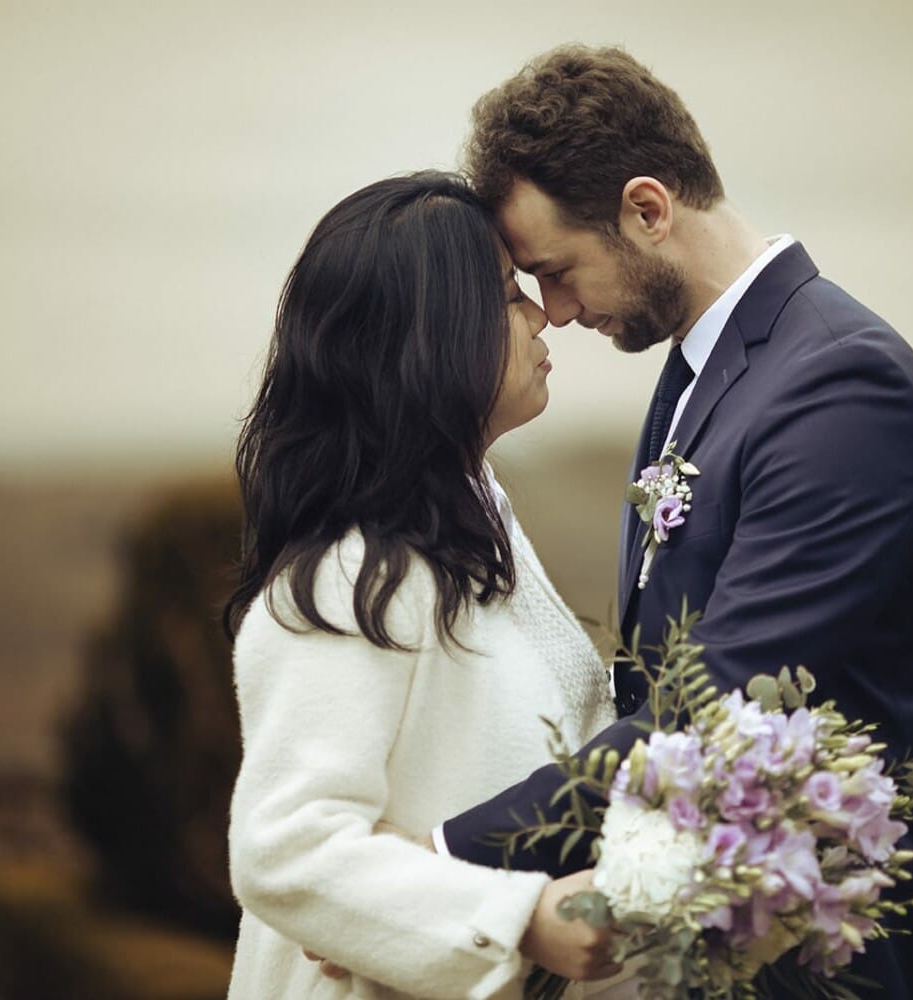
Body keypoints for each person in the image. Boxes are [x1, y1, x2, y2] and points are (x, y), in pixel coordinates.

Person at [423, 46, 913, 1000]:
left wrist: (438, 862)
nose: (551, 312)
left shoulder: (841, 387)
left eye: (555, 271)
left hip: (836, 956)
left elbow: (716, 710)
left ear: (647, 208)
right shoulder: (701, 373)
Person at [222, 172, 624, 998]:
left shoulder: (475, 526)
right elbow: (286, 850)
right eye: (509, 294)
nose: (544, 313)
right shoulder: (351, 574)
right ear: (431, 335)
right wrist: (519, 921)